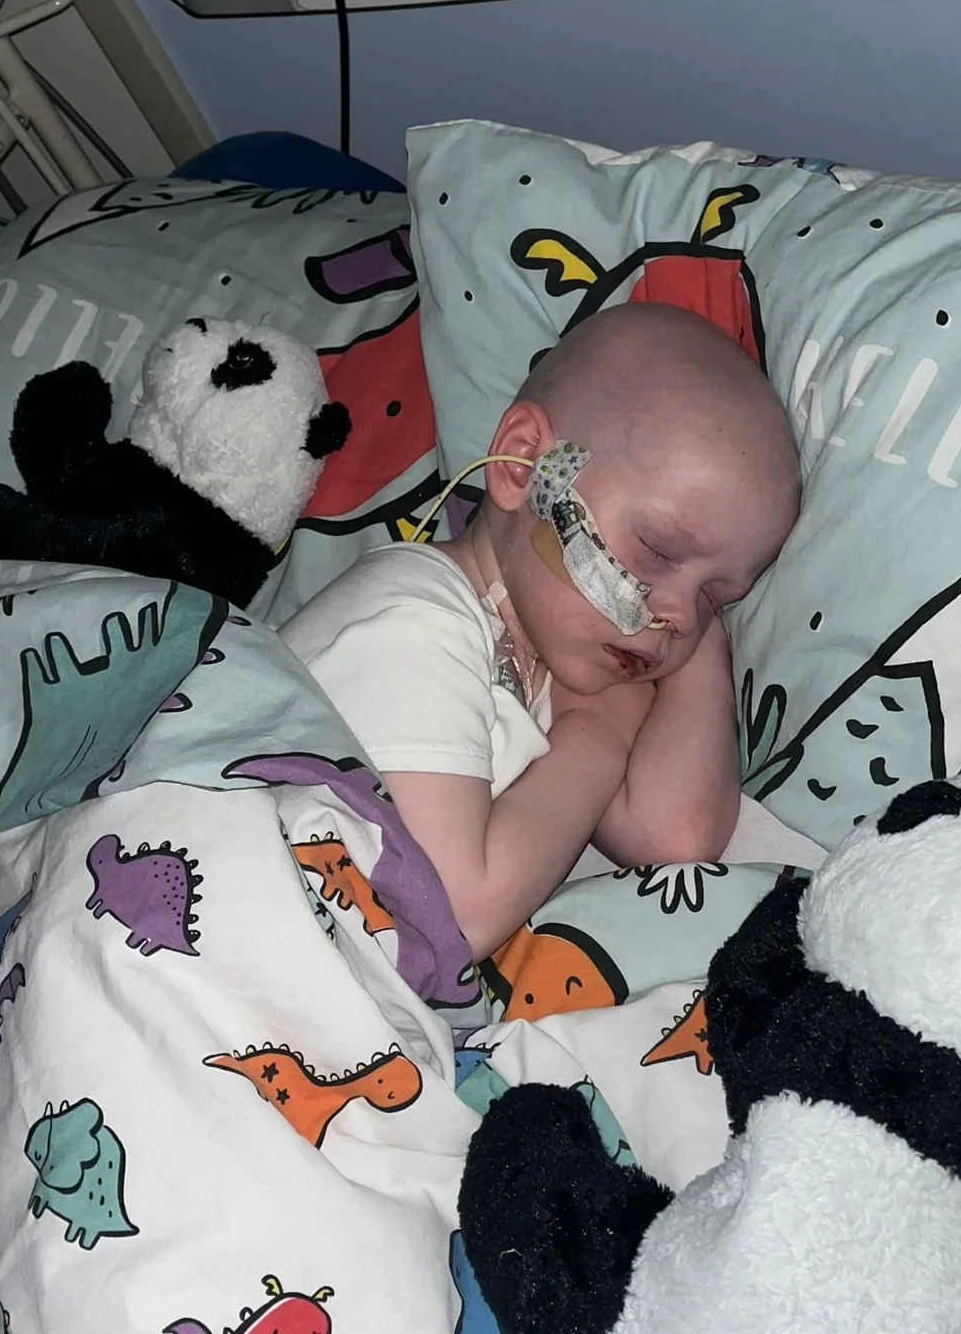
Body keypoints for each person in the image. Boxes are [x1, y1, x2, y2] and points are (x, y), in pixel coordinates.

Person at [281, 303, 800, 961]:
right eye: (658, 550)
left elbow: (676, 840)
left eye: (717, 596)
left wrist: (700, 632)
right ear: (527, 467)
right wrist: (596, 736)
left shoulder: (560, 656)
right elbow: (445, 917)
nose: (676, 615)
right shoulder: (406, 621)